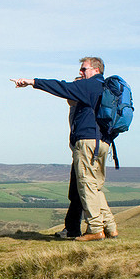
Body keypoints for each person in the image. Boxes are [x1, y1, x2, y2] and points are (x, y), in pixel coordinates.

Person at [11, 57, 118, 242]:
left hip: (87, 141)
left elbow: (62, 87)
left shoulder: (89, 85)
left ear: (96, 69)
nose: (81, 73)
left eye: (84, 69)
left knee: (86, 185)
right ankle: (110, 227)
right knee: (95, 186)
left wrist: (32, 82)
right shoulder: (106, 88)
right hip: (104, 143)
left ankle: (95, 229)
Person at [56, 79, 83, 239]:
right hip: (79, 153)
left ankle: (74, 229)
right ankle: (72, 228)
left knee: (80, 192)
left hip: (84, 154)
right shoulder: (77, 108)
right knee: (77, 193)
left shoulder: (84, 108)